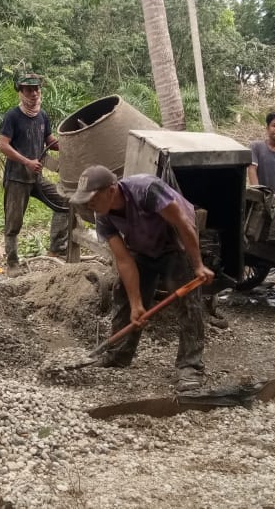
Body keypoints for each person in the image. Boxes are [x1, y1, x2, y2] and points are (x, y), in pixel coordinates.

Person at [69, 164, 215, 392]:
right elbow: (124, 261)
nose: (90, 204)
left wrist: (198, 265)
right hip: (144, 246)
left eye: (93, 198)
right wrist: (137, 304)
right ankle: (118, 354)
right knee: (124, 296)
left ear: (111, 190)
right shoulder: (103, 217)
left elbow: (183, 224)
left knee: (188, 303)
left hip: (176, 242)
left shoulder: (146, 190)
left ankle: (190, 367)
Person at [0, 73, 69, 275]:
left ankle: (56, 249)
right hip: (17, 178)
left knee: (64, 202)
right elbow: (3, 146)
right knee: (13, 223)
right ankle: (12, 264)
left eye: (36, 89)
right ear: (20, 92)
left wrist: (67, 145)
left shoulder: (42, 115)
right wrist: (27, 161)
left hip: (36, 178)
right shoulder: (13, 116)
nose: (34, 93)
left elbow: (49, 140)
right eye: (29, 90)